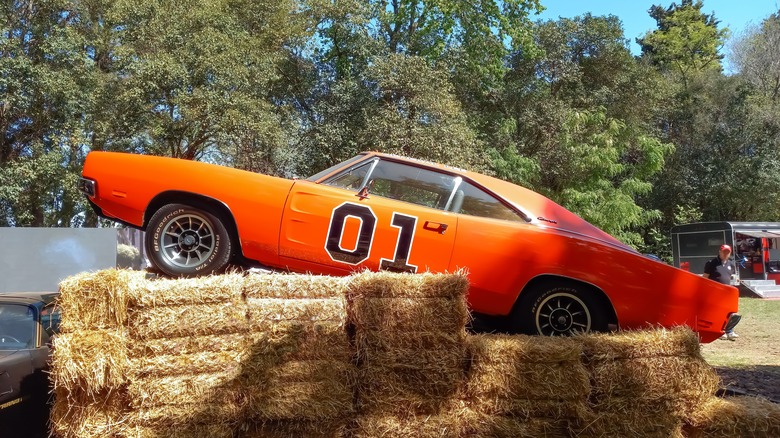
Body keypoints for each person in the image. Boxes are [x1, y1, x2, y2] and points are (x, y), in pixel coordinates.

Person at [703, 244, 739, 341]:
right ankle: (719, 331)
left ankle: (729, 331)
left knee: (729, 312)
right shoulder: (711, 263)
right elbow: (705, 278)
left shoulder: (731, 264)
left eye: (727, 252)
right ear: (719, 252)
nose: (725, 254)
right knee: (716, 313)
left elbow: (731, 278)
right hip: (714, 292)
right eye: (724, 252)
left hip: (726, 293)